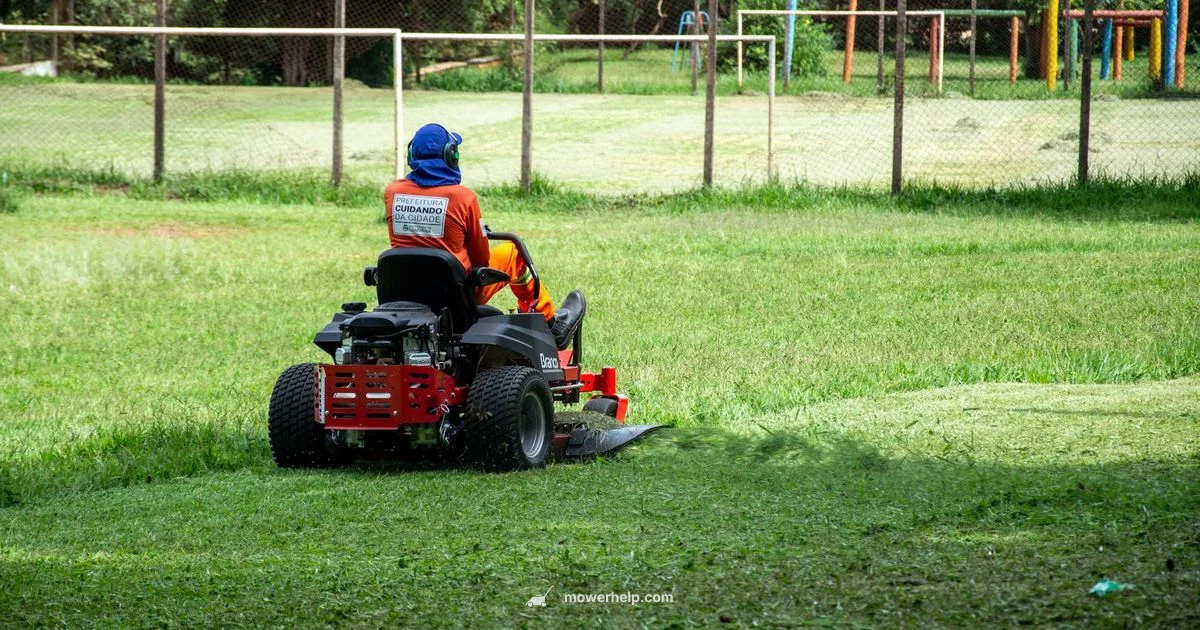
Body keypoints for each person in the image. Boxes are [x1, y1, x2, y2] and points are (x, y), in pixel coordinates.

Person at [384, 123, 585, 350]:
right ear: (452, 156)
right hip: (456, 295)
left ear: (411, 155)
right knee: (512, 253)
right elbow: (481, 259)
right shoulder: (463, 198)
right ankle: (548, 323)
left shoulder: (392, 193)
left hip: (405, 292)